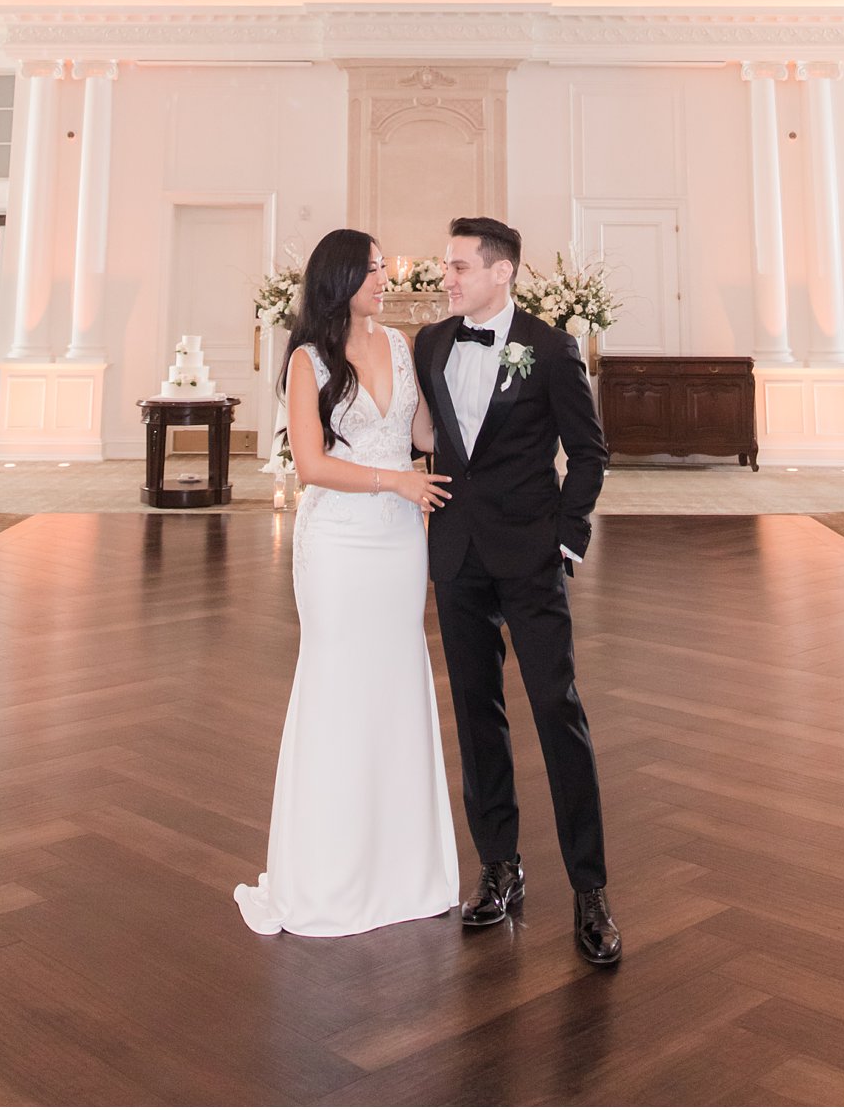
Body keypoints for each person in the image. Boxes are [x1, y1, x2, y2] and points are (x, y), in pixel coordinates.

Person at [234, 228, 459, 936]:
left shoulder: (399, 344)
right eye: (371, 268)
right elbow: (310, 464)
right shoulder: (308, 358)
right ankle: (329, 871)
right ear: (339, 277)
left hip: (398, 544)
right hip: (337, 541)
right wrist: (392, 479)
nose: (384, 278)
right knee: (339, 685)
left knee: (395, 682)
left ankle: (402, 868)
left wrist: (447, 371)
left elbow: (421, 435)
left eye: (384, 267)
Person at [414, 216, 621, 967]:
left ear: (501, 272)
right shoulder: (432, 343)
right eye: (446, 265)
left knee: (556, 711)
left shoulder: (553, 345)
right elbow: (427, 438)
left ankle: (591, 889)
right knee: (476, 713)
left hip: (531, 557)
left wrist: (565, 537)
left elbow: (590, 452)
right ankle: (499, 865)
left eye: (459, 266)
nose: (447, 277)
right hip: (457, 555)